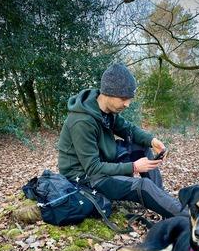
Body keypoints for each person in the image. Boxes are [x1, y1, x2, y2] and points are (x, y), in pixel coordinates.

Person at [58, 63, 186, 219]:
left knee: (142, 147)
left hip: (103, 161)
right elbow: (92, 168)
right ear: (107, 93)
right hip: (84, 178)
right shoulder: (82, 122)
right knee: (142, 186)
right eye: (123, 99)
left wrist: (152, 141)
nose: (127, 104)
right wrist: (133, 167)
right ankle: (190, 219)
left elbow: (128, 129)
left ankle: (160, 198)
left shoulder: (106, 111)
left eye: (129, 98)